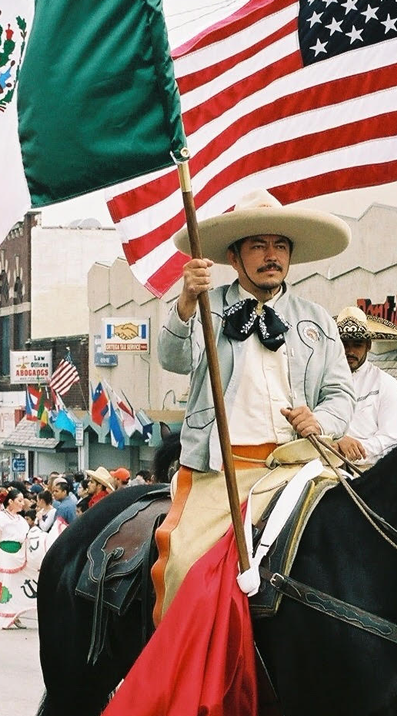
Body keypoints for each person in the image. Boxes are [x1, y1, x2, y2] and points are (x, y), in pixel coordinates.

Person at [152, 189, 355, 623]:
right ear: (234, 256)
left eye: (280, 245)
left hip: (301, 467)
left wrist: (321, 421)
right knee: (184, 564)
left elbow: (342, 394)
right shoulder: (207, 307)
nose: (271, 255)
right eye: (258, 246)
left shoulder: (318, 318)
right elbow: (173, 359)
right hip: (224, 471)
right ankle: (174, 667)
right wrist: (186, 301)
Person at [331, 307, 397, 465]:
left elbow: (391, 439)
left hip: (367, 472)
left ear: (368, 345)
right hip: (322, 464)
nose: (350, 351)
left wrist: (349, 449)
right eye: (344, 344)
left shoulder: (386, 384)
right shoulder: (321, 380)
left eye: (357, 345)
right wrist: (336, 441)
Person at [0, 487, 31, 630]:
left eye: (23, 500)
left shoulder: (22, 520)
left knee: (16, 587)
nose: (22, 503)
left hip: (18, 555)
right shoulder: (0, 517)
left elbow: (25, 539)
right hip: (3, 554)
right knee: (2, 585)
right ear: (10, 501)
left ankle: (15, 615)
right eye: (19, 500)